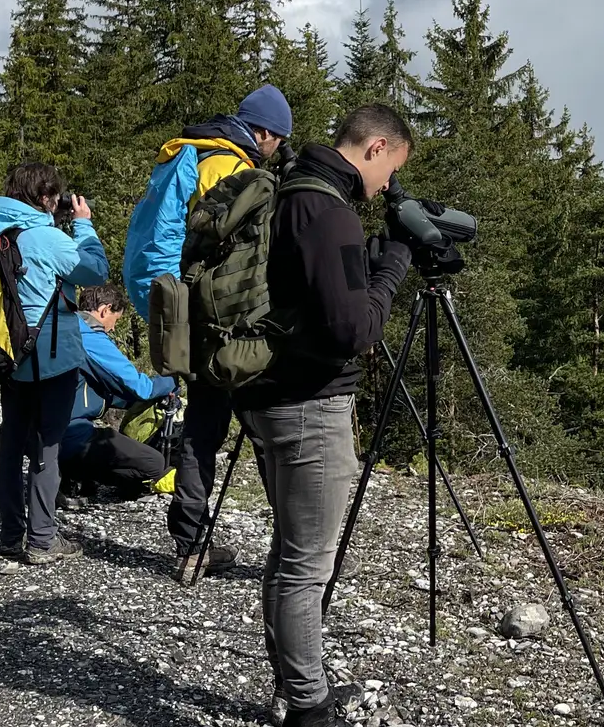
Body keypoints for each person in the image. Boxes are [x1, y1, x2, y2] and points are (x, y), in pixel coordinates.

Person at [235, 104, 414, 727]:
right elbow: (351, 330)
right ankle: (309, 706)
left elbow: (317, 298)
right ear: (375, 148)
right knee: (307, 565)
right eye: (390, 168)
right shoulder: (329, 210)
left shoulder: (292, 189)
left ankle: (294, 682)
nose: (388, 184)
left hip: (269, 396)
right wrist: (389, 271)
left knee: (288, 555)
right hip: (310, 404)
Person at [122, 84, 293, 581]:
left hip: (184, 315)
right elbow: (243, 255)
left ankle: (191, 545)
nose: (277, 149)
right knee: (265, 431)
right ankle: (294, 546)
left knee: (201, 431)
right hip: (227, 322)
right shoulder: (229, 166)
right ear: (262, 132)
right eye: (277, 140)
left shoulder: (187, 154)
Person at [0, 162, 108, 566]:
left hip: (4, 348)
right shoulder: (47, 237)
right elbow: (94, 270)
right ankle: (42, 538)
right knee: (48, 443)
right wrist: (82, 224)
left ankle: (11, 533)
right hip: (49, 354)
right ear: (47, 198)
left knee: (12, 439)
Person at [63, 285, 177, 497]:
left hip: (43, 433)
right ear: (105, 310)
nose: (113, 328)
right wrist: (171, 382)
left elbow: (96, 388)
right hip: (72, 434)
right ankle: (71, 472)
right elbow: (141, 387)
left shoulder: (66, 331)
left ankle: (71, 475)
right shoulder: (89, 337)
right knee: (154, 462)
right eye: (115, 319)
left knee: (127, 467)